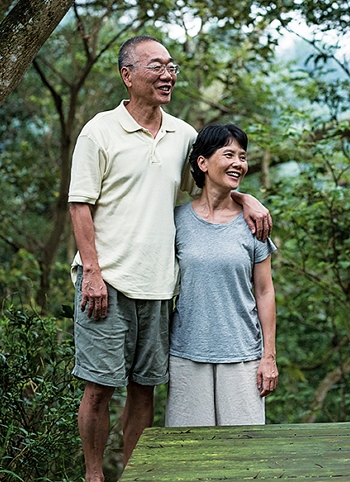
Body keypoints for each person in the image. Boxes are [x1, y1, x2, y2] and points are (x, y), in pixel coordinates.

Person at [68, 36, 271, 482]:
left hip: (160, 287)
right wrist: (93, 274)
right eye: (156, 67)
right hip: (108, 282)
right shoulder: (99, 131)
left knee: (145, 390)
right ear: (128, 75)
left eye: (171, 67)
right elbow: (79, 204)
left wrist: (246, 197)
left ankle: (134, 475)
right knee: (99, 386)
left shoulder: (182, 134)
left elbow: (213, 172)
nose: (167, 75)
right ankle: (95, 475)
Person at [165, 123, 278, 427]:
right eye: (229, 154)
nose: (238, 163)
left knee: (244, 453)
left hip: (243, 355)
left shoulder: (254, 223)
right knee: (190, 452)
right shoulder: (177, 221)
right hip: (187, 354)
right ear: (202, 162)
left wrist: (269, 357)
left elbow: (265, 291)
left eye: (242, 156)